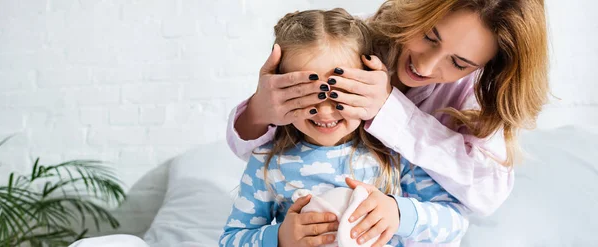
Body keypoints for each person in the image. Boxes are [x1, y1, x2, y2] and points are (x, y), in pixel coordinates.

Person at [227, 0, 548, 217]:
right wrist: (260, 111)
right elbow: (264, 157)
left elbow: (487, 194)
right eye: (428, 36)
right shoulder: (358, 41)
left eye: (459, 63)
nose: (425, 65)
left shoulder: (477, 93)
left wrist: (388, 109)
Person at [220, 9, 468, 247]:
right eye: (307, 95)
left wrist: (398, 213)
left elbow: (454, 223)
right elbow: (231, 240)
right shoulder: (267, 162)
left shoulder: (393, 152)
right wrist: (280, 237)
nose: (326, 110)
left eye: (343, 92)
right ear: (280, 91)